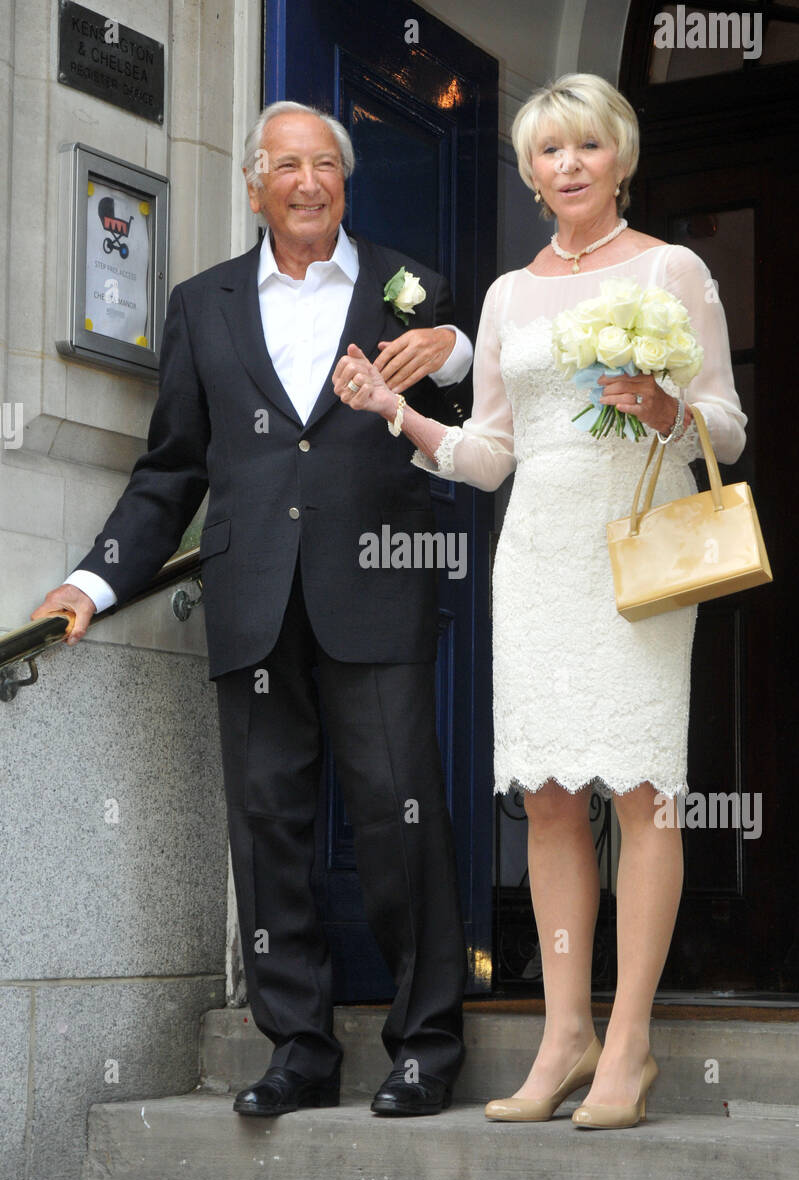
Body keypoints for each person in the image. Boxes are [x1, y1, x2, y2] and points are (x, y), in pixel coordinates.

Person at [31, 101, 473, 1120]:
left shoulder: (412, 289)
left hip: (376, 583)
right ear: (254, 183)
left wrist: (449, 350)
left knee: (400, 818)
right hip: (253, 598)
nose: (309, 182)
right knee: (269, 827)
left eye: (326, 164)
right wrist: (93, 578)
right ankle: (299, 1046)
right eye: (287, 166)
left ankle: (424, 1044)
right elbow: (172, 468)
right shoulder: (202, 303)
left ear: (345, 180)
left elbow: (468, 430)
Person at [333, 73, 747, 1129]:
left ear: (620, 157)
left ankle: (629, 1042)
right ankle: (563, 1033)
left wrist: (662, 403)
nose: (567, 166)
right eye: (547, 153)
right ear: (528, 174)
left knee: (644, 787)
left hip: (637, 554)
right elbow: (488, 455)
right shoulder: (509, 294)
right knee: (553, 794)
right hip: (536, 557)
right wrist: (398, 411)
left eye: (586, 147)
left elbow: (727, 428)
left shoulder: (673, 266)